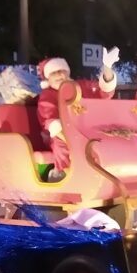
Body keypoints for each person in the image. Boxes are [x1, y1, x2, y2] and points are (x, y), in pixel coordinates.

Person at [36, 47, 120, 182]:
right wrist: (72, 138)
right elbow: (51, 122)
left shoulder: (80, 86)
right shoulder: (47, 96)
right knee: (61, 143)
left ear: (67, 73)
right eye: (54, 73)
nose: (58, 75)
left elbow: (104, 92)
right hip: (60, 134)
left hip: (87, 130)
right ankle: (63, 174)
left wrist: (107, 68)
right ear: (47, 78)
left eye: (61, 71)